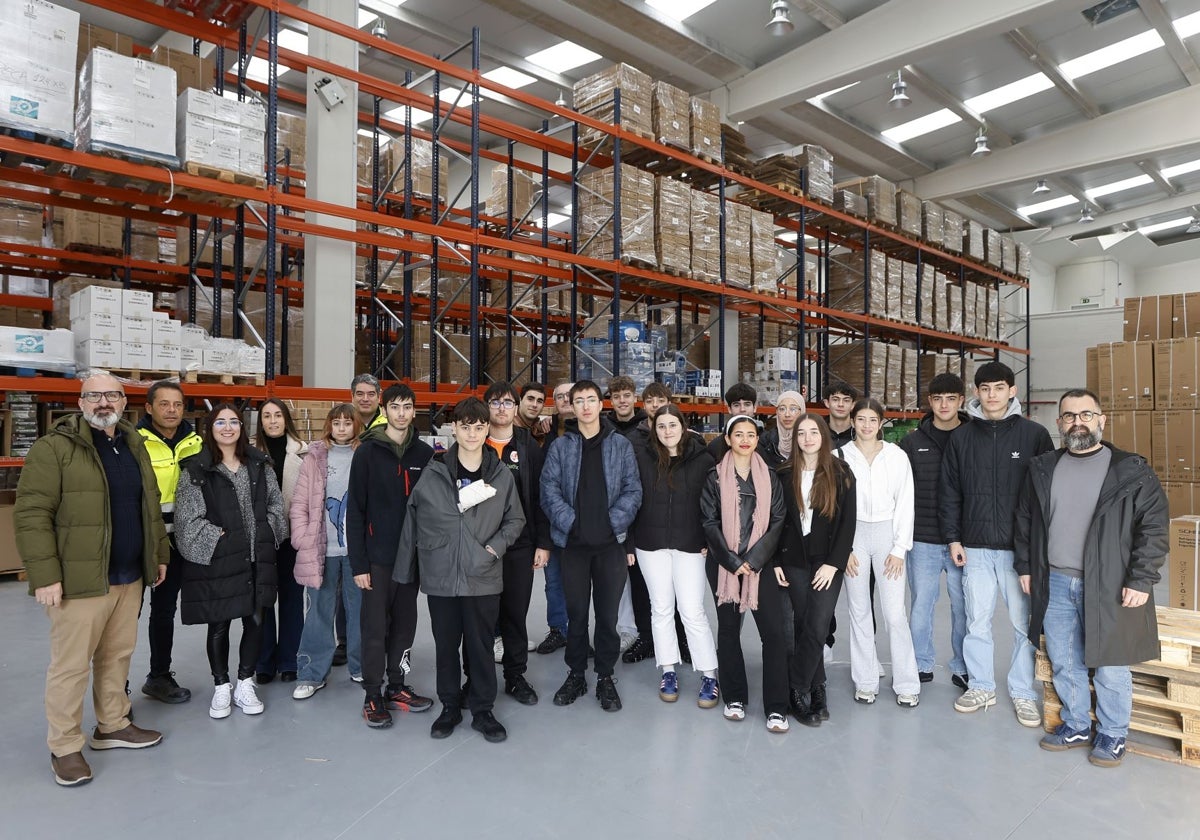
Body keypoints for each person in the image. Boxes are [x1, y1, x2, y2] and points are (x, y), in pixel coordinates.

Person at [15, 374, 168, 786]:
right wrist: (45, 575)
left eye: (111, 394)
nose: (103, 402)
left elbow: (149, 506)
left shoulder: (133, 444)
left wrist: (157, 555)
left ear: (123, 400)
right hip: (79, 580)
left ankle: (112, 725)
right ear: (80, 401)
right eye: (94, 395)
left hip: (128, 575)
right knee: (70, 667)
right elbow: (31, 515)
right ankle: (65, 747)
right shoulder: (55, 448)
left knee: (117, 656)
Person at [1016, 389, 1169, 768]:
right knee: (1066, 660)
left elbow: (1154, 528)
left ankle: (1114, 733)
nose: (1077, 422)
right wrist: (1026, 567)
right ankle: (1077, 725)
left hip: (1109, 585)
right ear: (1059, 424)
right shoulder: (1042, 467)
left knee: (1112, 663)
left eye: (1086, 414)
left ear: (1102, 420)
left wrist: (1141, 579)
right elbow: (1025, 522)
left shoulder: (1131, 470)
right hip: (1055, 582)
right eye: (1069, 416)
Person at [395, 397, 527, 743]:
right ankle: (450, 705)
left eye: (479, 426)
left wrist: (493, 549)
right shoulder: (435, 472)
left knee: (481, 646)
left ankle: (483, 709)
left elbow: (516, 519)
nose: (472, 433)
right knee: (446, 646)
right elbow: (413, 518)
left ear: (487, 429)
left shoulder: (500, 474)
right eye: (465, 426)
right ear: (455, 429)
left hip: (482, 574)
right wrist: (407, 570)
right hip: (441, 576)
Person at [939, 361, 1054, 727]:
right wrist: (954, 538)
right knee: (977, 621)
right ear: (976, 393)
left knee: (1023, 625)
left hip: (1017, 552)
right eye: (984, 389)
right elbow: (950, 491)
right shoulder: (961, 437)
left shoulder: (1034, 435)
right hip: (974, 547)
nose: (991, 395)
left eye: (999, 388)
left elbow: (1047, 495)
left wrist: (1036, 548)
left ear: (1012, 391)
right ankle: (982, 685)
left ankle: (1022, 692)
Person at [176, 404, 288, 720]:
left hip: (256, 557)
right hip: (221, 559)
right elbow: (188, 521)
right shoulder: (196, 470)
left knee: (255, 621)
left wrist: (268, 530)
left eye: (234, 422)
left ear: (242, 426)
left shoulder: (259, 464)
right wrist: (220, 538)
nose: (228, 427)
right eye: (220, 422)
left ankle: (245, 682)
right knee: (219, 623)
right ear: (210, 428)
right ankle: (221, 685)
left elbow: (277, 505)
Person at [541, 380, 642, 712]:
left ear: (602, 404)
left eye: (591, 400)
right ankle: (575, 673)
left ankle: (605, 675)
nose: (585, 406)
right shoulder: (561, 447)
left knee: (608, 615)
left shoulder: (620, 446)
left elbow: (633, 490)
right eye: (578, 400)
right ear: (571, 405)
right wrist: (571, 523)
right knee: (577, 613)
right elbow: (548, 491)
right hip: (572, 545)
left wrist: (613, 524)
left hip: (610, 545)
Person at [347, 383, 435, 728]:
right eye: (395, 407)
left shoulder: (424, 454)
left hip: (410, 559)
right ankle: (372, 693)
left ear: (415, 411)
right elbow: (354, 511)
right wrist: (359, 563)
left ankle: (397, 685)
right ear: (385, 410)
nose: (401, 413)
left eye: (407, 407)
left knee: (405, 626)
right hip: (377, 559)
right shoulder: (367, 453)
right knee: (374, 627)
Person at [627, 403, 719, 707]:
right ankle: (668, 670)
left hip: (691, 545)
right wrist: (629, 541)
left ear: (683, 427)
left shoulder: (703, 460)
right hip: (650, 544)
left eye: (672, 425)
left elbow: (711, 506)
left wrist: (708, 538)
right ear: (655, 429)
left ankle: (709, 673)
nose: (667, 431)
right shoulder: (642, 457)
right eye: (661, 426)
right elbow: (631, 499)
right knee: (662, 608)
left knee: (692, 610)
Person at [700, 415, 787, 731]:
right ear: (728, 439)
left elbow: (778, 519)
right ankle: (734, 697)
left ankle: (776, 707)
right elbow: (708, 522)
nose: (745, 439)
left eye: (751, 434)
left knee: (773, 635)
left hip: (760, 567)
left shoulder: (770, 477)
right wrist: (733, 562)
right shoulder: (713, 477)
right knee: (728, 630)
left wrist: (754, 559)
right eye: (739, 434)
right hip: (725, 566)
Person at [837, 398, 920, 707]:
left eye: (873, 419)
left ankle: (907, 683)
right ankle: (866, 680)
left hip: (887, 535)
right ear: (852, 421)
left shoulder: (896, 456)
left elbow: (905, 502)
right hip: (854, 535)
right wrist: (842, 549)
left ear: (881, 423)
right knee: (858, 610)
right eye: (861, 419)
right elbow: (833, 506)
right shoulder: (839, 456)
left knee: (894, 613)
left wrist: (899, 549)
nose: (867, 425)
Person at [777, 414, 856, 726]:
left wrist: (834, 564)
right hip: (793, 560)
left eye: (813, 432)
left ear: (824, 436)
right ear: (794, 438)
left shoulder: (840, 472)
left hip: (826, 562)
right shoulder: (783, 474)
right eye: (801, 433)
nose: (807, 438)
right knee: (803, 624)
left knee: (818, 625)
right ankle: (818, 689)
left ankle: (796, 688)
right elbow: (775, 523)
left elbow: (848, 523)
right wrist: (775, 563)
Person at [480, 381, 551, 704]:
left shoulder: (527, 447)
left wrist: (542, 542)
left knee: (514, 613)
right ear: (486, 407)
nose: (502, 409)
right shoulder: (473, 442)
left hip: (519, 545)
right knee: (480, 615)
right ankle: (478, 680)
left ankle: (515, 676)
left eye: (508, 403)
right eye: (495, 403)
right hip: (479, 546)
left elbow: (540, 497)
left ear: (516, 407)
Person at [899, 373, 970, 690]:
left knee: (963, 607)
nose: (944, 404)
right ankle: (919, 663)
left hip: (964, 541)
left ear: (961, 401)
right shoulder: (912, 442)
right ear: (929, 402)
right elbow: (899, 491)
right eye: (938, 398)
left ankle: (963, 665)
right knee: (921, 606)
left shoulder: (974, 437)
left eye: (951, 398)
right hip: (923, 539)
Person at [289, 404, 365, 699]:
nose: (342, 428)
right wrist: (302, 538)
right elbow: (299, 503)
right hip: (321, 547)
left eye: (348, 422)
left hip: (356, 550)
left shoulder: (365, 455)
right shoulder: (315, 456)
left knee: (360, 609)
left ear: (356, 425)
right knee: (319, 610)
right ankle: (310, 673)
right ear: (329, 426)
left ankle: (361, 666)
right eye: (337, 422)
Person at [136, 379, 203, 704]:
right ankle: (114, 693)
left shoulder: (195, 443)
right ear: (149, 408)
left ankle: (158, 676)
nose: (172, 410)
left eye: (177, 404)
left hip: (179, 543)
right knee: (123, 617)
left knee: (163, 611)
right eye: (164, 404)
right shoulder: (134, 442)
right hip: (142, 541)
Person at [253, 398, 308, 685]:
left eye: (277, 415)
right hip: (260, 537)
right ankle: (264, 662)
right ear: (260, 421)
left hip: (291, 536)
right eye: (266, 416)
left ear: (286, 419)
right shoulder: (248, 454)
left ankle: (290, 660)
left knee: (292, 599)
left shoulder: (304, 453)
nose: (272, 421)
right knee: (262, 601)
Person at [608, 375, 654, 663]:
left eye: (627, 395)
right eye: (617, 396)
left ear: (634, 397)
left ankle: (650, 634)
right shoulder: (603, 427)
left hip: (644, 511)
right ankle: (627, 630)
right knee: (617, 577)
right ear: (610, 400)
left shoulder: (645, 427)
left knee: (644, 578)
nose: (623, 400)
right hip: (613, 511)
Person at [533, 380, 576, 656]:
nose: (564, 400)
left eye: (569, 396)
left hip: (585, 522)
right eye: (559, 396)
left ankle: (579, 633)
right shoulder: (545, 433)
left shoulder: (595, 430)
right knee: (554, 580)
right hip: (552, 520)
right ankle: (558, 630)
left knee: (583, 583)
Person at [706, 382, 757, 461]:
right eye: (736, 405)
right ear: (729, 409)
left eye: (747, 404)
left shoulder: (767, 444)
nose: (742, 409)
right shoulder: (715, 446)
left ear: (754, 408)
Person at [758, 390, 804, 468]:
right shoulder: (765, 441)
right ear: (777, 412)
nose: (787, 414)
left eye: (793, 409)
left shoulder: (809, 440)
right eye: (782, 409)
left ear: (802, 411)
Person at [823, 380, 858, 448]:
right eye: (835, 400)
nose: (841, 404)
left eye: (846, 400)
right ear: (827, 403)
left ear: (853, 405)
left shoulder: (859, 432)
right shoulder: (818, 429)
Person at [514, 381, 549, 447]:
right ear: (520, 400)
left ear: (543, 405)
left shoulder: (542, 429)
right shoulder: (508, 427)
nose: (534, 405)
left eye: (539, 401)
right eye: (530, 399)